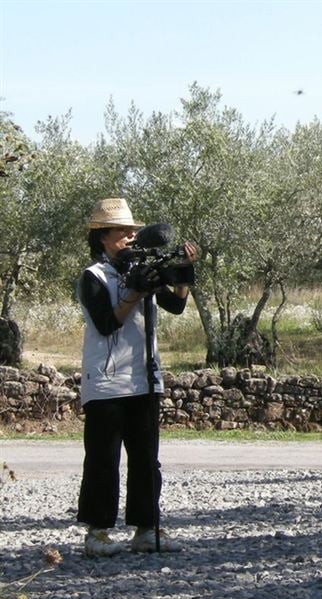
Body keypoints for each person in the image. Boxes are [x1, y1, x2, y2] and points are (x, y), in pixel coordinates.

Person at [76, 198, 197, 557]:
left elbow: (175, 305)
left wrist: (182, 275)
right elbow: (107, 322)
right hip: (105, 381)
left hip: (144, 378)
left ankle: (146, 529)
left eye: (132, 230)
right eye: (122, 231)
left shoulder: (140, 269)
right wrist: (134, 294)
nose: (131, 236)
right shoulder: (93, 277)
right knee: (103, 458)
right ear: (103, 237)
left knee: (146, 460)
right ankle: (97, 533)